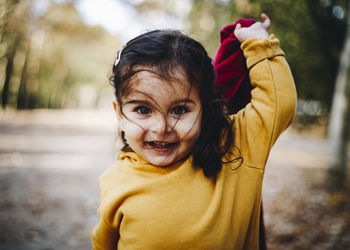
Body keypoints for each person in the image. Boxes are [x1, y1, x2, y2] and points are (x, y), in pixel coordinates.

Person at [92, 13, 297, 250]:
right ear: (119, 114)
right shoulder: (115, 181)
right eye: (142, 109)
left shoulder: (235, 151)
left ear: (205, 108)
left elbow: (280, 103)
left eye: (179, 109)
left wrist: (258, 42)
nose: (161, 128)